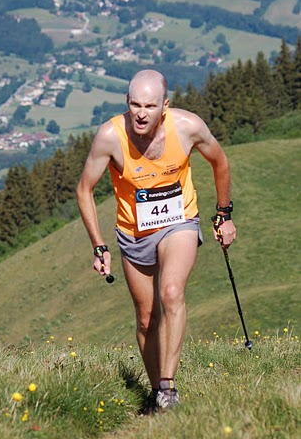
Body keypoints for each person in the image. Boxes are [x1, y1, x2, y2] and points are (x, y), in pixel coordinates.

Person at [76, 69, 236, 411]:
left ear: (165, 105)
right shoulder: (110, 136)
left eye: (149, 105)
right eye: (134, 104)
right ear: (127, 103)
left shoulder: (187, 127)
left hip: (179, 221)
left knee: (172, 292)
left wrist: (224, 214)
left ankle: (168, 386)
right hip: (133, 233)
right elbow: (84, 189)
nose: (141, 113)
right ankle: (155, 394)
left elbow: (219, 161)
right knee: (147, 318)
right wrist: (99, 245)